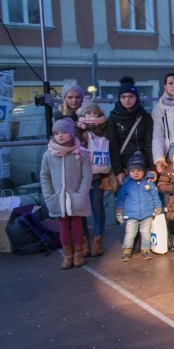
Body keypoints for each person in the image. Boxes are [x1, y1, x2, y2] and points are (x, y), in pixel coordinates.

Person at [40, 117, 92, 269]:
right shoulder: (48, 155)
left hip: (76, 197)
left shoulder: (81, 153)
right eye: (56, 133)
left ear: (71, 133)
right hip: (58, 198)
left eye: (64, 132)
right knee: (63, 225)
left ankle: (78, 254)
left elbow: (87, 175)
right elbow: (45, 176)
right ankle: (67, 255)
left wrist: (81, 195)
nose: (60, 136)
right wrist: (49, 196)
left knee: (76, 224)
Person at [76, 96, 110, 257]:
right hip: (81, 176)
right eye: (87, 113)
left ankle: (98, 238)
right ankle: (84, 240)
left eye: (94, 112)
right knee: (82, 209)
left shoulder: (106, 129)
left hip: (99, 175)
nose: (91, 116)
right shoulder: (79, 131)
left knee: (97, 206)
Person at [115, 151, 162, 261]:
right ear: (129, 171)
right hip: (132, 215)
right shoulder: (127, 184)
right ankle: (127, 249)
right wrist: (119, 211)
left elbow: (155, 196)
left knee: (146, 232)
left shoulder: (149, 182)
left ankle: (146, 249)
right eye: (132, 170)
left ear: (144, 170)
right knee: (130, 232)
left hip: (147, 213)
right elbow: (121, 199)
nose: (136, 173)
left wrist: (158, 207)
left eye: (139, 170)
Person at [107, 77, 155, 185]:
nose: (127, 100)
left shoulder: (145, 117)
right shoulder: (113, 118)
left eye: (130, 96)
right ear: (119, 98)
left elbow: (150, 143)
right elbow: (113, 146)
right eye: (123, 97)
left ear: (136, 98)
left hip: (143, 166)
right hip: (124, 168)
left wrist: (152, 167)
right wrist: (118, 171)